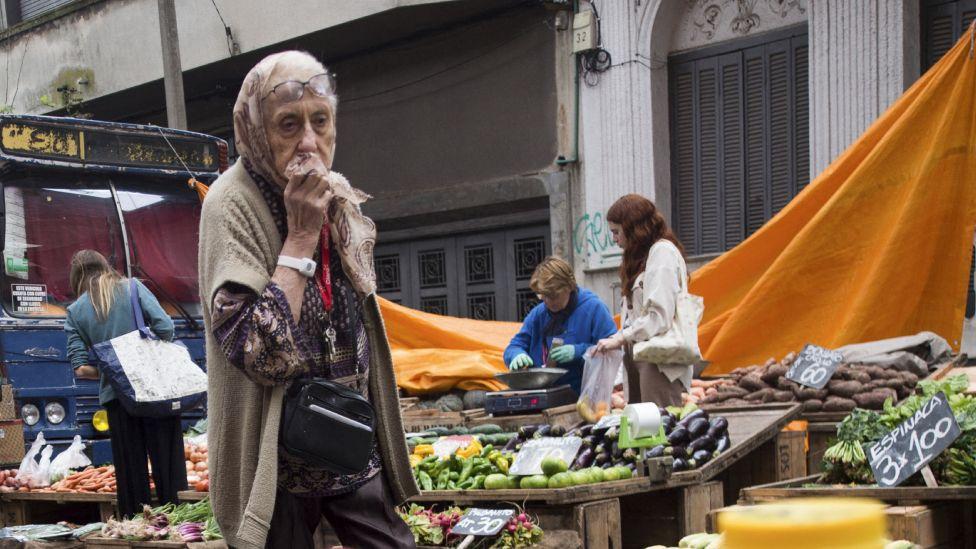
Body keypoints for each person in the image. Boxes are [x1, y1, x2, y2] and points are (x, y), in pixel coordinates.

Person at [198, 51, 417, 549]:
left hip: (343, 431)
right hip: (272, 452)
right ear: (255, 129)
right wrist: (298, 238)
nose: (309, 142)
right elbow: (259, 355)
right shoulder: (229, 204)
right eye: (288, 124)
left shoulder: (332, 195)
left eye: (320, 121)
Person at [64, 249, 185, 518]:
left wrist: (113, 370)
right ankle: (178, 528)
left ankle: (136, 530)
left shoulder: (75, 311)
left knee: (131, 480)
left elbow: (81, 367)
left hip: (118, 399)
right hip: (156, 392)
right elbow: (166, 329)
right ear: (105, 266)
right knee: (170, 471)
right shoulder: (133, 288)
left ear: (76, 279)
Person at [595, 194, 691, 406]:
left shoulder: (662, 252)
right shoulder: (640, 258)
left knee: (658, 425)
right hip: (639, 354)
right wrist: (619, 340)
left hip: (657, 359)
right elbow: (635, 317)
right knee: (639, 426)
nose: (614, 239)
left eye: (616, 232)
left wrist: (621, 337)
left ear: (634, 228)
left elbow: (659, 316)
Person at [503, 256, 617, 395]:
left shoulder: (594, 309)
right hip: (544, 393)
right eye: (543, 296)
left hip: (585, 396)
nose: (547, 302)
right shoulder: (538, 314)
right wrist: (516, 355)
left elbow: (612, 352)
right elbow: (514, 346)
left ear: (569, 286)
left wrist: (579, 352)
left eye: (553, 296)